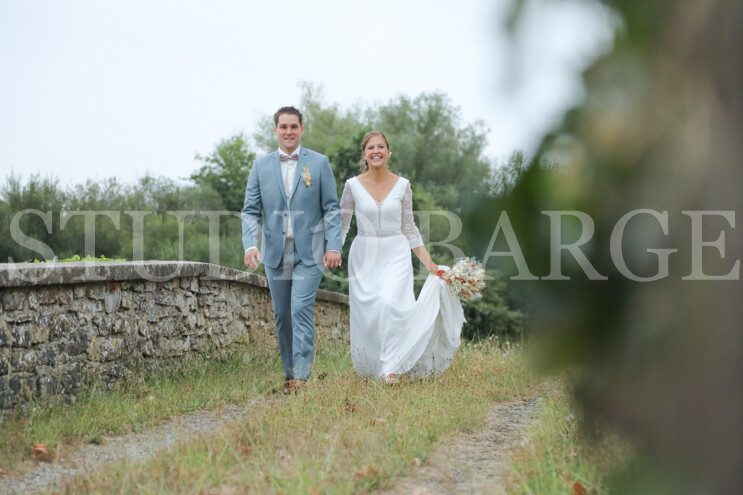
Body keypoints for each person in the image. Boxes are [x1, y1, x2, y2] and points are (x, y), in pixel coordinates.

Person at [339, 131, 465, 384]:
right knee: (372, 312)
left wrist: (431, 265)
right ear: (364, 154)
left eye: (381, 147)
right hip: (364, 255)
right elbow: (342, 225)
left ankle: (390, 368)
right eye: (371, 147)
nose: (376, 151)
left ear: (388, 152)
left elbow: (409, 227)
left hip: (396, 252)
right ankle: (373, 365)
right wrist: (332, 251)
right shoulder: (352, 186)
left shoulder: (402, 185)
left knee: (389, 303)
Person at [241, 106, 342, 394]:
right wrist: (250, 244)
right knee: (283, 315)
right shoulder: (260, 167)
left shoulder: (319, 163)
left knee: (300, 309)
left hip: (311, 252)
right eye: (283, 127)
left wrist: (334, 246)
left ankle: (301, 377)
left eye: (294, 126)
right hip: (274, 252)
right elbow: (250, 211)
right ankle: (290, 374)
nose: (289, 132)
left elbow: (332, 209)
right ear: (275, 130)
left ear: (301, 129)